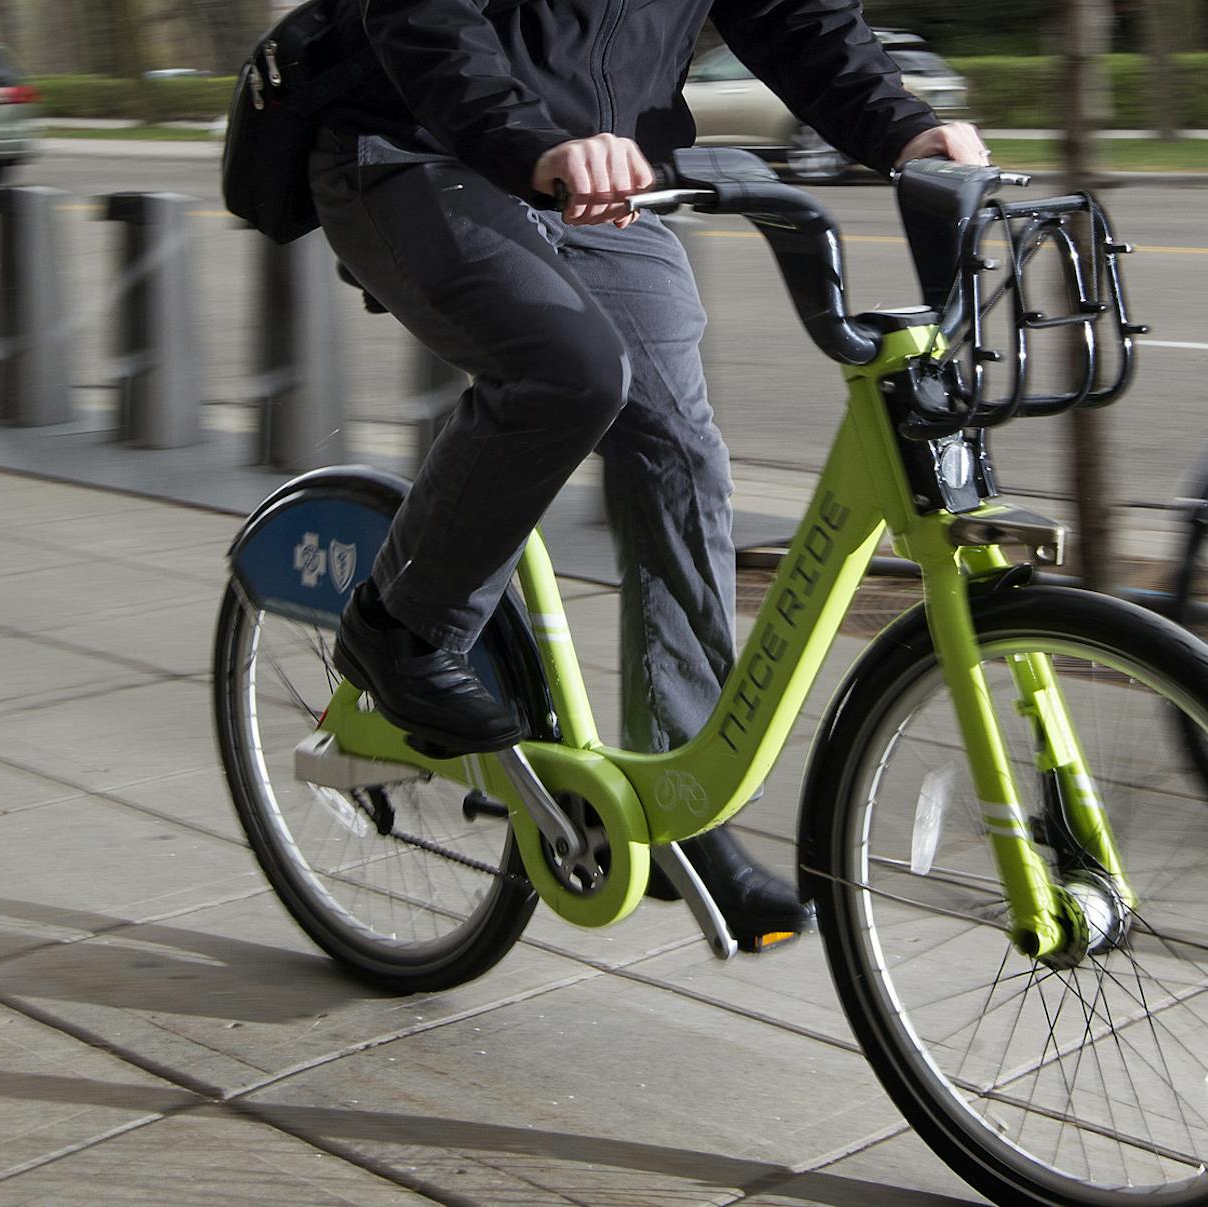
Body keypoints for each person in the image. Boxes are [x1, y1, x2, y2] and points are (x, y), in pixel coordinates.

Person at [313, 0, 990, 951]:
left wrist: (906, 129)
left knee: (679, 450)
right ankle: (401, 628)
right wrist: (533, 142)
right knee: (570, 373)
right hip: (417, 151)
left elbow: (795, 15)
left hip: (600, 181)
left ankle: (682, 801)